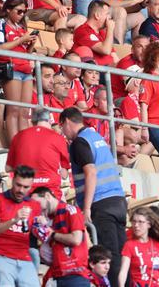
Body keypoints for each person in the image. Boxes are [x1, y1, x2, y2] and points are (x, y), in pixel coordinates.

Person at [59, 106, 126, 281]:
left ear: (66, 122)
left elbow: (90, 172)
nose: (63, 132)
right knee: (121, 254)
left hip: (101, 203)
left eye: (62, 127)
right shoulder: (96, 137)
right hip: (118, 200)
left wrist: (86, 208)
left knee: (108, 256)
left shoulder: (80, 142)